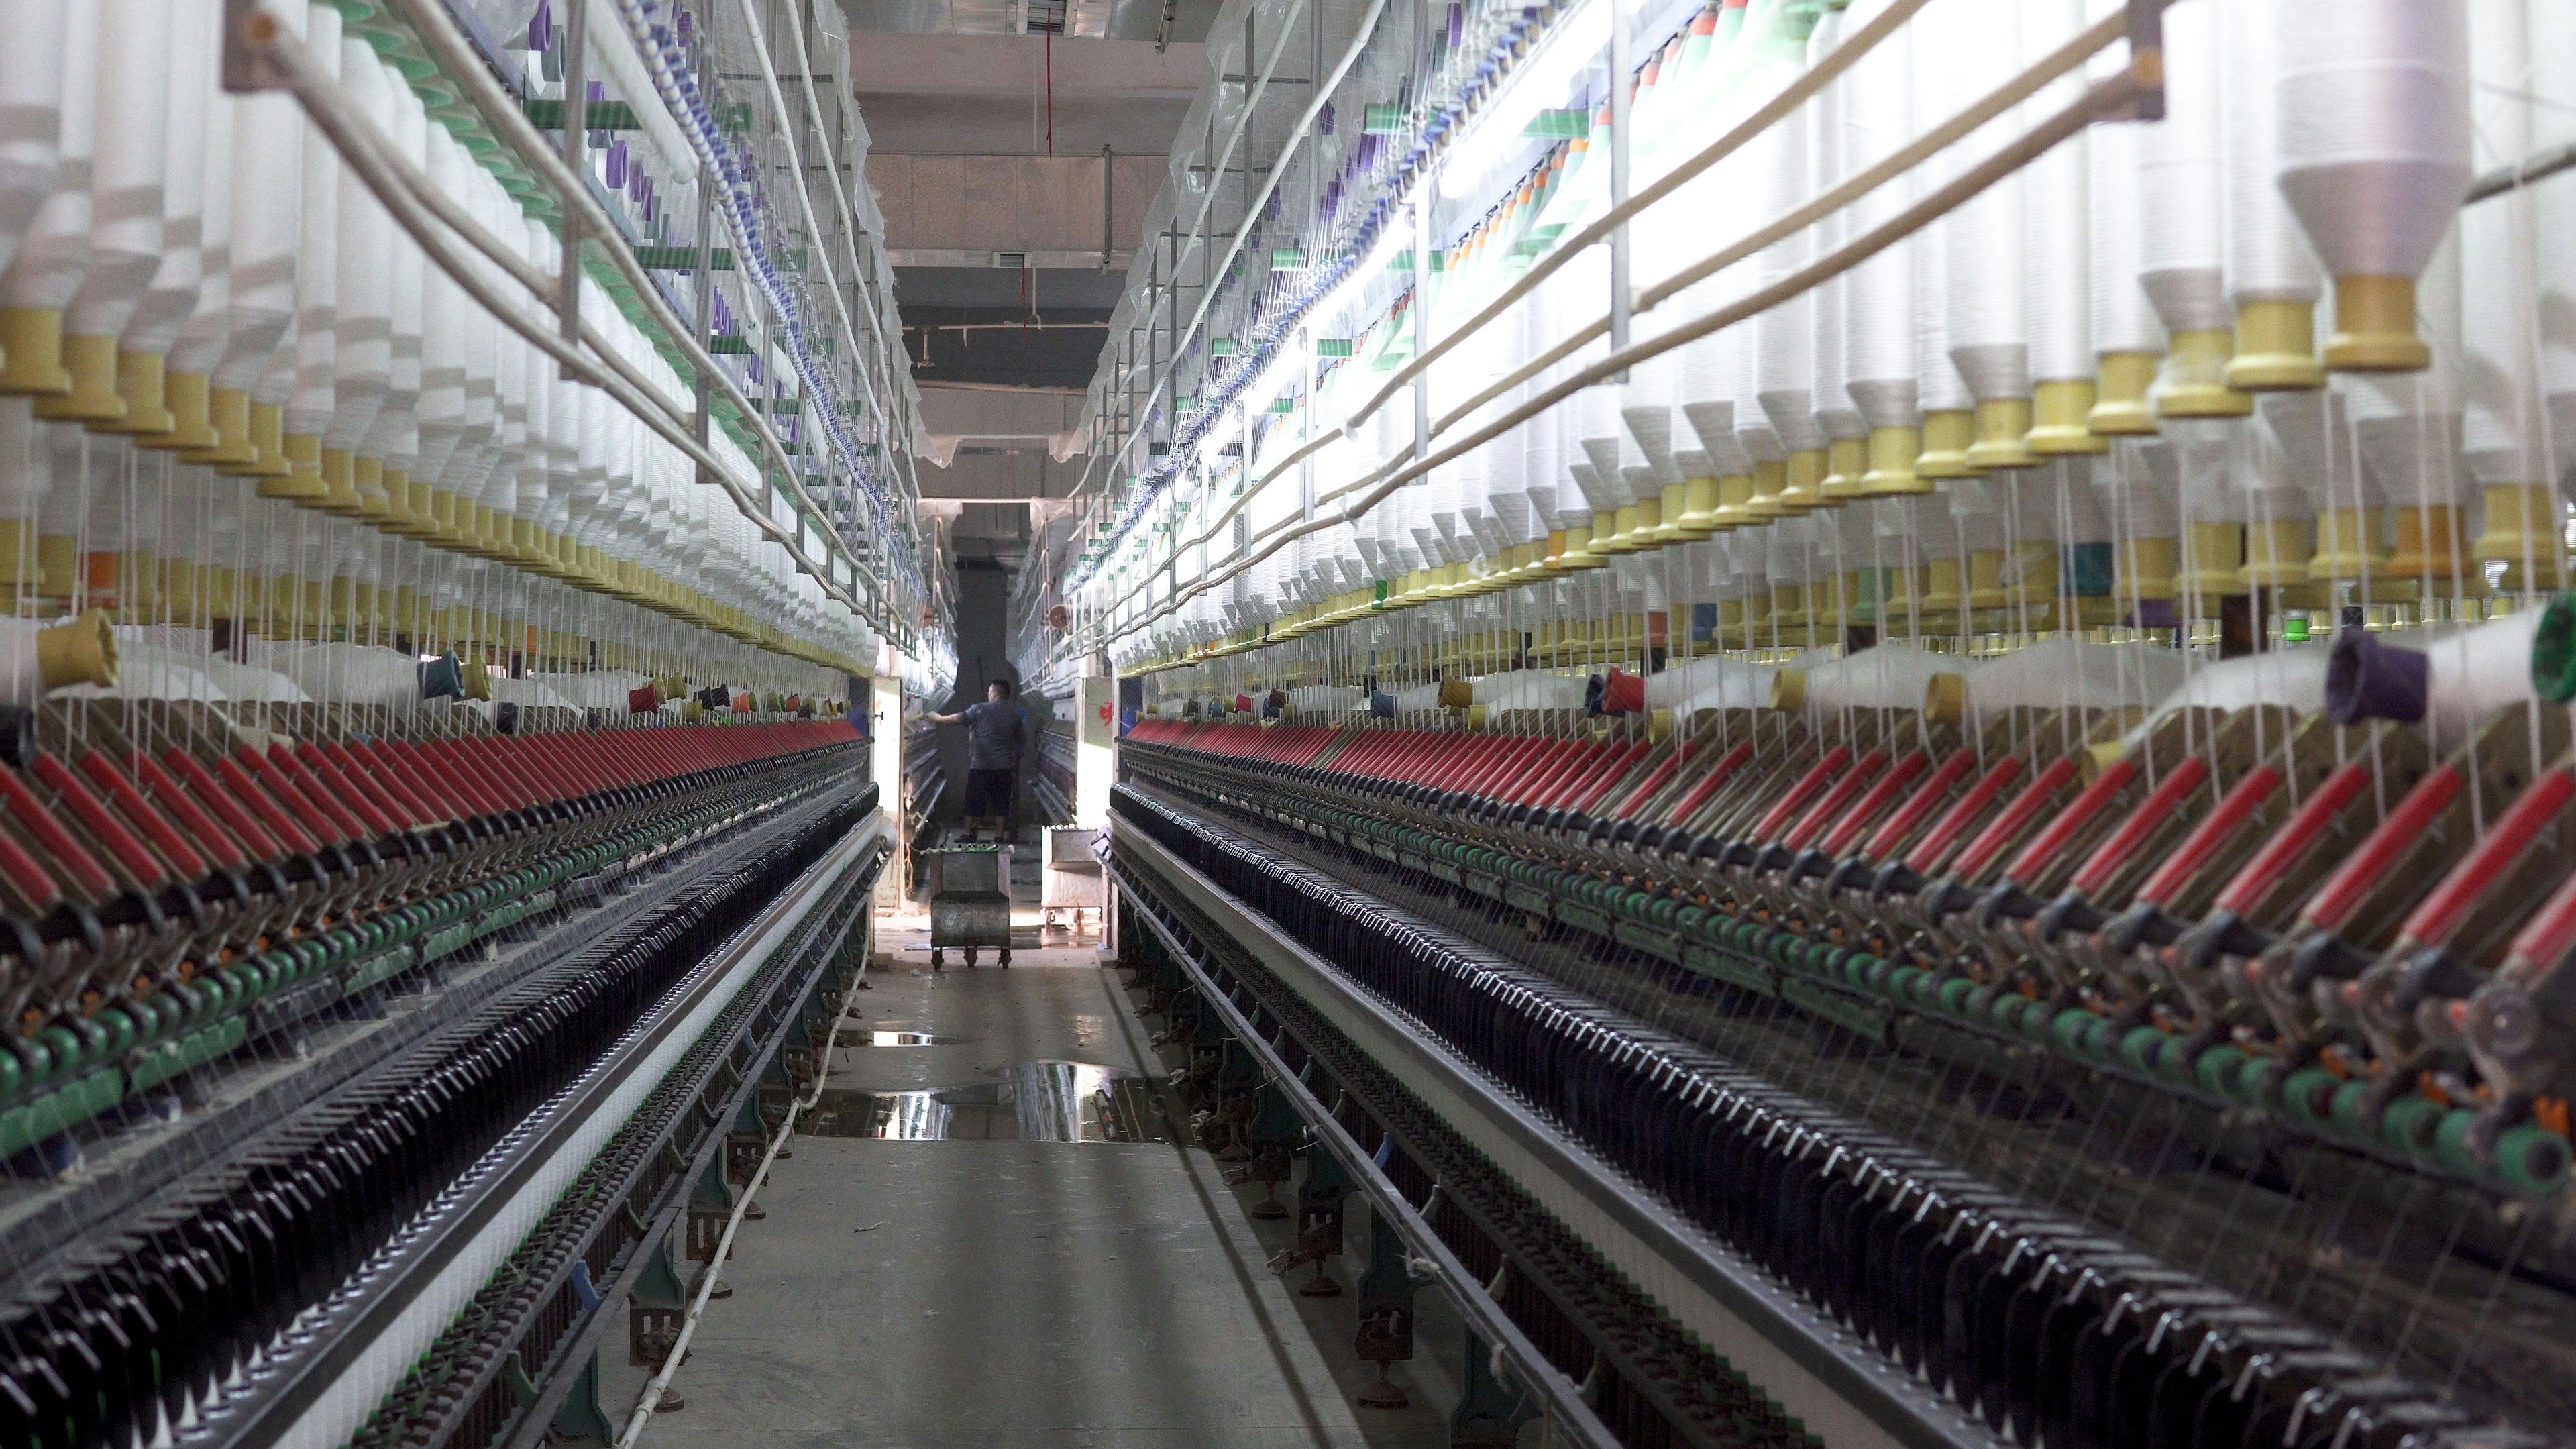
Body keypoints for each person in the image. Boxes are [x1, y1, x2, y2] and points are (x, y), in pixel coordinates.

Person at [928, 678, 1028, 841]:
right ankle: (999, 835)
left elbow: (956, 719)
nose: (989, 694)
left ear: (995, 693)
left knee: (973, 801)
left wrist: (939, 719)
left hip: (981, 766)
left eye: (990, 691)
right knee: (1001, 803)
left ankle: (968, 833)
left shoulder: (979, 710)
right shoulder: (1014, 714)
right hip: (1003, 767)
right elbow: (1021, 738)